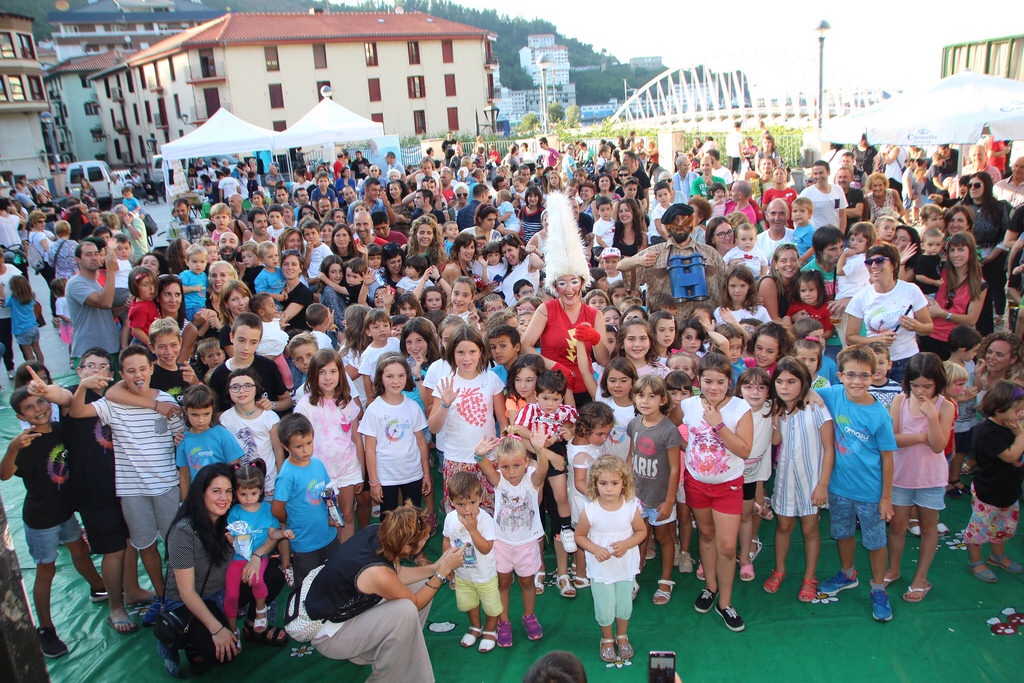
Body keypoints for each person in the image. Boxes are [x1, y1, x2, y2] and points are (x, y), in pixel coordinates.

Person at [306, 504, 465, 682]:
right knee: (405, 610)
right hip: (332, 636)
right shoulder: (378, 573)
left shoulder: (379, 532)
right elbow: (416, 603)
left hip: (348, 616)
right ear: (407, 548)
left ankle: (389, 650)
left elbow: (398, 574)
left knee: (421, 585)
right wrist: (442, 573)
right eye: (424, 537)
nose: (427, 537)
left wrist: (435, 568)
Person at [1, 387, 106, 657]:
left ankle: (99, 588)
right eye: (29, 407)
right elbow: (4, 474)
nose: (38, 409)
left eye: (41, 402)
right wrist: (12, 448)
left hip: (66, 511)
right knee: (46, 569)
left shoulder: (60, 430)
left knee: (80, 549)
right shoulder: (25, 443)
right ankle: (46, 629)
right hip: (42, 518)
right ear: (20, 416)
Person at [817, 345, 898, 622]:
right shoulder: (832, 394)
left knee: (875, 541)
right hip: (839, 488)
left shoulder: (880, 416)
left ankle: (878, 587)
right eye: (850, 375)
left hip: (870, 492)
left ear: (874, 376)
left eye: (864, 376)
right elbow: (807, 391)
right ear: (840, 375)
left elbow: (888, 459)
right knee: (843, 533)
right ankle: (847, 573)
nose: (856, 381)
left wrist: (886, 497)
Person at [682, 353, 752, 631]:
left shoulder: (740, 408)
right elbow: (670, 423)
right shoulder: (688, 404)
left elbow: (744, 450)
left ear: (729, 382)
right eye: (708, 381)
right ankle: (710, 587)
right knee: (706, 534)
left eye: (720, 382)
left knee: (727, 546)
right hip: (696, 483)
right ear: (698, 380)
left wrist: (718, 424)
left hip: (728, 486)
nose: (713, 387)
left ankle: (725, 602)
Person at [885, 353, 955, 602]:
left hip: (930, 478)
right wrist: (920, 437)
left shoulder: (945, 406)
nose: (920, 391)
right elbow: (892, 439)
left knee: (928, 527)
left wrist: (932, 417)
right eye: (915, 385)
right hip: (901, 475)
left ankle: (921, 578)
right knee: (897, 525)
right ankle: (893, 569)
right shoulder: (900, 400)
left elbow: (938, 446)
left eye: (927, 386)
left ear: (938, 383)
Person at [764, 358, 833, 601]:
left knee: (810, 529)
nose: (784, 387)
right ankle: (779, 570)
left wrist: (823, 484)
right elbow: (776, 441)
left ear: (803, 383)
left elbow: (829, 448)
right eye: (780, 381)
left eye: (791, 382)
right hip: (786, 479)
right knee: (783, 526)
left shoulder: (816, 407)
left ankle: (809, 577)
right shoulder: (777, 409)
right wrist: (774, 420)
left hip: (811, 481)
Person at [474, 431, 551, 648]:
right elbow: (484, 466)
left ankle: (529, 616)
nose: (511, 472)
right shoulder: (499, 481)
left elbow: (543, 469)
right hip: (502, 544)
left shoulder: (531, 480)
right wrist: (479, 454)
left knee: (527, 583)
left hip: (527, 544)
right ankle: (504, 621)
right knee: (503, 583)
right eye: (505, 467)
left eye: (516, 465)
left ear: (526, 462)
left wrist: (540, 450)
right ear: (499, 466)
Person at [574, 454, 645, 664]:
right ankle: (606, 638)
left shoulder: (630, 507)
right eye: (603, 483)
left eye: (614, 483)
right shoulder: (591, 510)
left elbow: (641, 532)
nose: (609, 488)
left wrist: (627, 544)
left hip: (624, 567)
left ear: (624, 483)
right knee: (604, 607)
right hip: (601, 569)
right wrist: (595, 549)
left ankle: (622, 636)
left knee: (624, 605)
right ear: (595, 484)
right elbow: (580, 536)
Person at [963, 381, 1024, 583]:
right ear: (999, 410)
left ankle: (997, 556)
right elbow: (1010, 456)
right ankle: (975, 561)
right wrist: (1021, 435)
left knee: (1004, 527)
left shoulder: (1013, 426)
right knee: (979, 529)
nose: (1021, 414)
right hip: (987, 491)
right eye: (1017, 410)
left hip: (1009, 490)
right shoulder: (988, 431)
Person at [845, 244, 933, 383]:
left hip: (907, 360)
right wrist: (876, 340)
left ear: (894, 265)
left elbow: (928, 327)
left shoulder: (911, 290)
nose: (874, 266)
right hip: (876, 363)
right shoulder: (861, 297)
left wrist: (916, 326)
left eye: (879, 261)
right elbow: (850, 337)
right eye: (869, 262)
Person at [442, 471, 501, 653]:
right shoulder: (450, 519)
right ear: (451, 501)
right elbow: (446, 540)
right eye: (461, 504)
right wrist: (446, 565)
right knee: (469, 603)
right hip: (463, 575)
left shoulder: (485, 520)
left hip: (485, 575)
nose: (467, 509)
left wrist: (473, 530)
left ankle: (490, 630)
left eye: (472, 503)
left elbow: (486, 548)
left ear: (480, 498)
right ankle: (476, 627)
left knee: (491, 606)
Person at [66, 237, 120, 366]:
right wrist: (111, 270)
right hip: (89, 353)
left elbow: (107, 312)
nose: (94, 258)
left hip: (110, 347)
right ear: (77, 260)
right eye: (88, 255)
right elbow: (105, 303)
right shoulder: (76, 283)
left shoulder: (96, 282)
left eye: (96, 253)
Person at [799, 160, 847, 235]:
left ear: (828, 172)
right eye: (815, 173)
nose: (818, 176)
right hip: (814, 236)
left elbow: (842, 216)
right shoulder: (806, 193)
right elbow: (799, 217)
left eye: (821, 173)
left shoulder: (838, 190)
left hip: (834, 236)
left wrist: (841, 235)